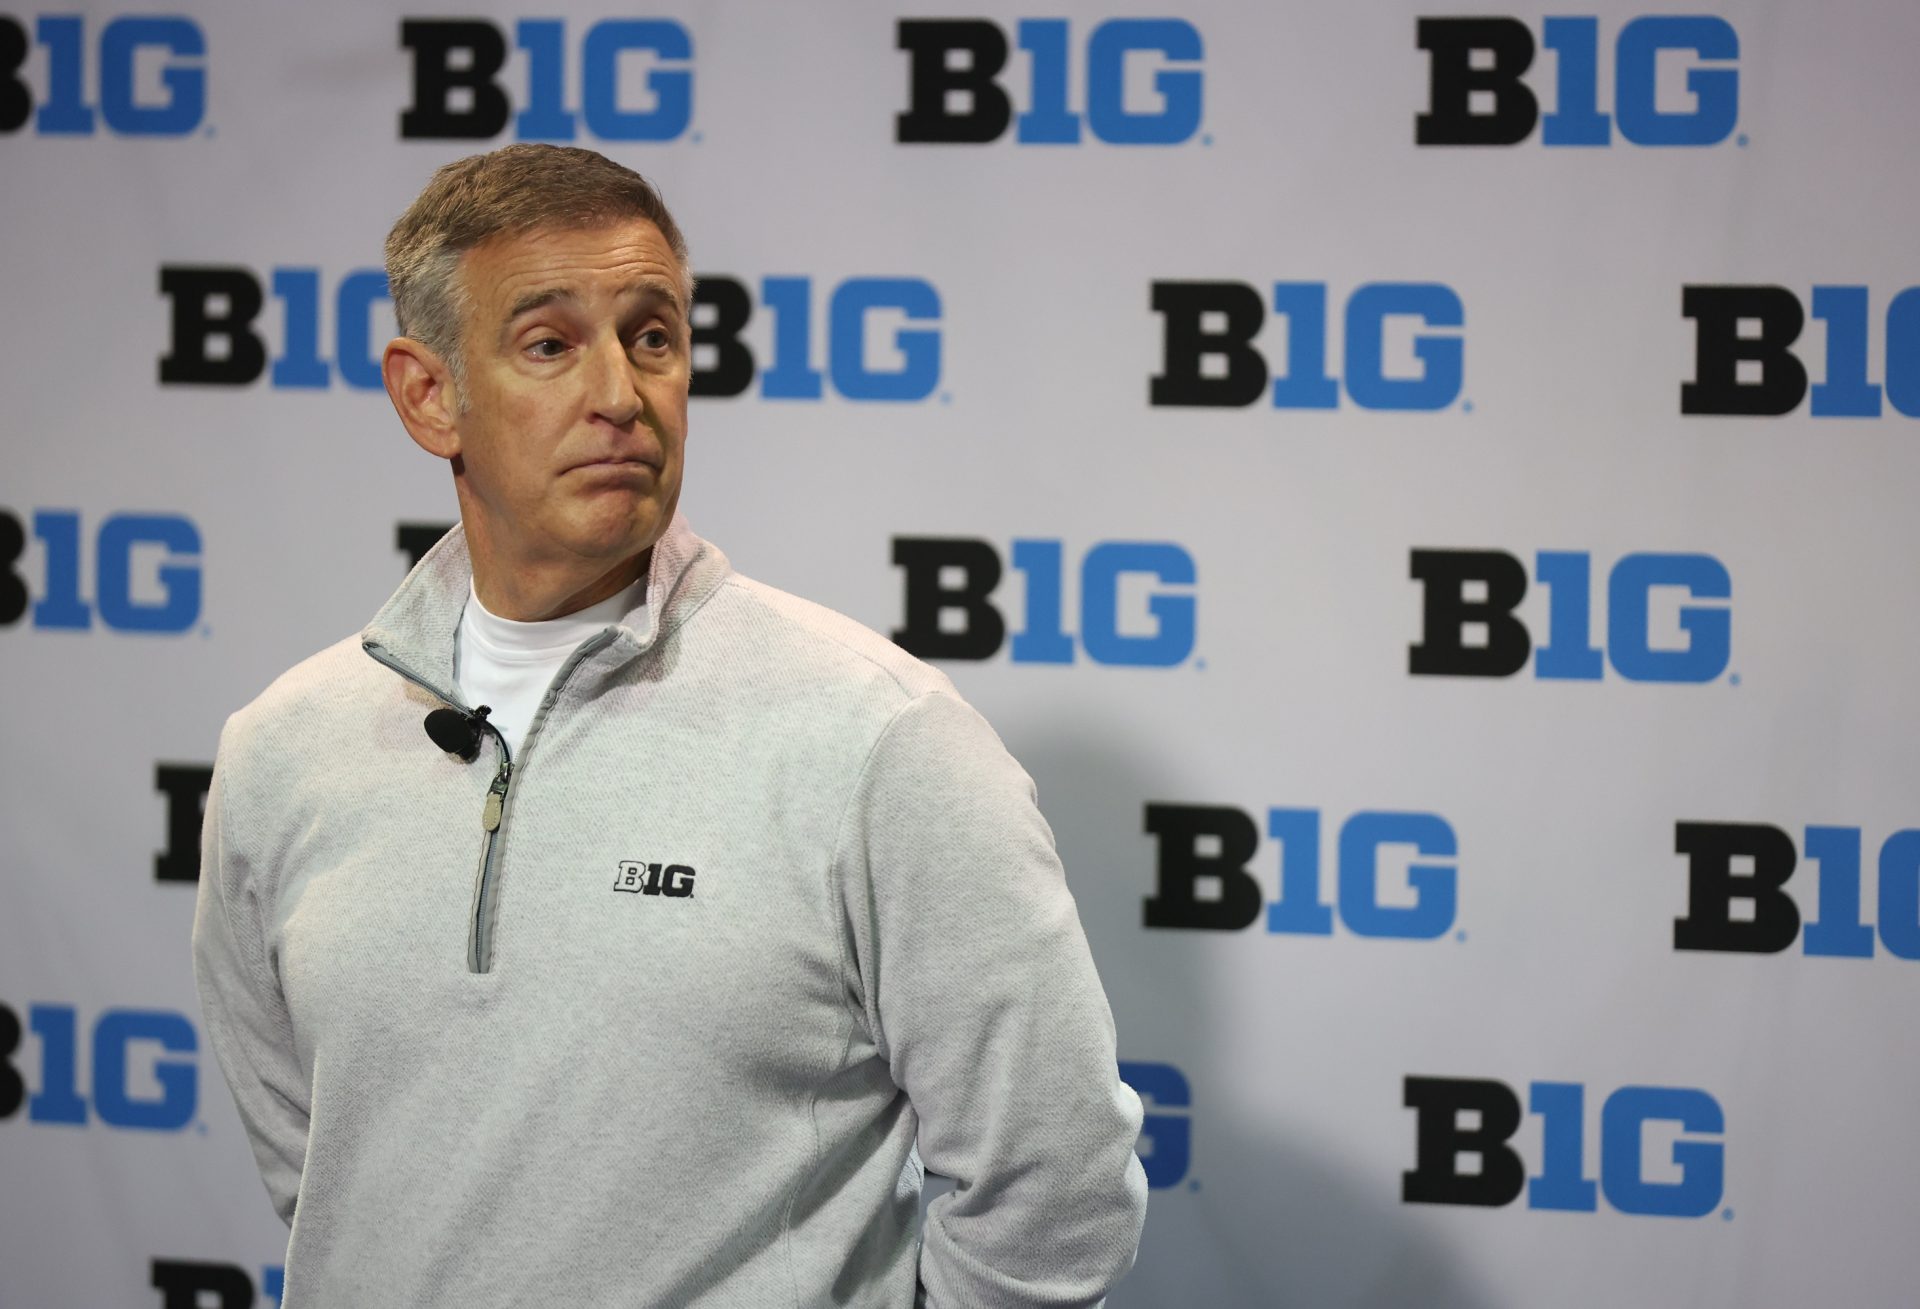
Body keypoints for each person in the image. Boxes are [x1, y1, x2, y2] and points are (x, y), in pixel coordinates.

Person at [192, 143, 1148, 1308]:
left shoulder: (877, 737)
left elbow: (1056, 1193)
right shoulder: (284, 749)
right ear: (427, 394)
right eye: (550, 344)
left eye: (652, 336)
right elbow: (324, 1177)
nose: (621, 393)